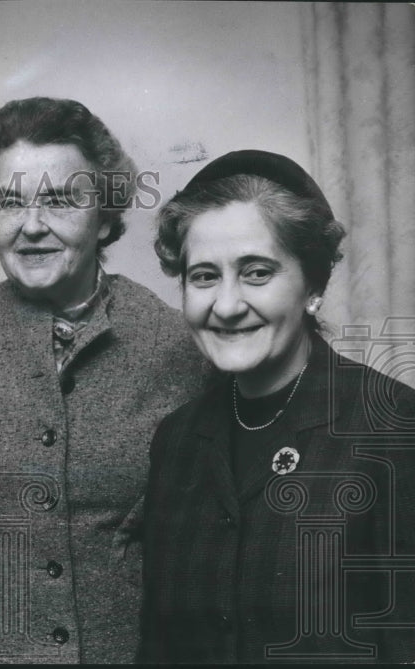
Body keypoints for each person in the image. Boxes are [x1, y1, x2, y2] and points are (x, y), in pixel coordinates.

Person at [0, 97, 205, 663]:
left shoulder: (181, 346)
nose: (32, 226)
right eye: (10, 203)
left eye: (60, 201)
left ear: (104, 214)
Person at [140, 149, 415, 663]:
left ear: (313, 284)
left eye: (257, 272)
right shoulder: (176, 441)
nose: (225, 305)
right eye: (203, 276)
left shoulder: (392, 427)